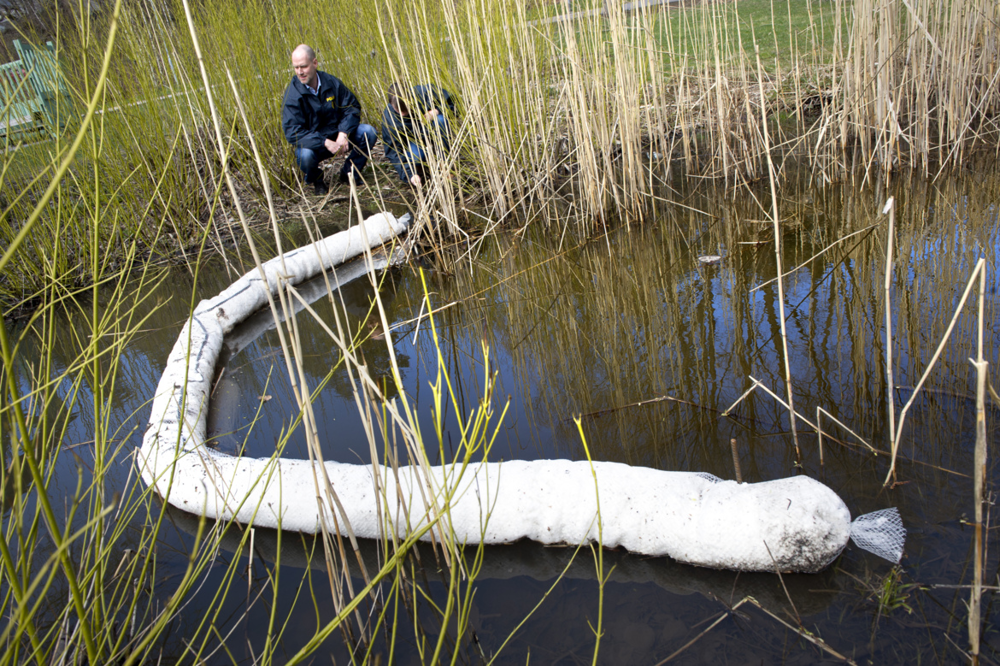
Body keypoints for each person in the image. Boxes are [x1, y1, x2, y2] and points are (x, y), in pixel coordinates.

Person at [282, 44, 377, 195]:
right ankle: (317, 181)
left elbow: (351, 107)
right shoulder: (292, 96)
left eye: (303, 67)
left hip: (338, 135)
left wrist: (343, 133)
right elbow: (292, 131)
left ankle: (349, 173)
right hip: (316, 144)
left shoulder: (331, 83)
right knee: (304, 156)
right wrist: (324, 142)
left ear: (315, 63)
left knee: (368, 132)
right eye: (296, 68)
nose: (300, 72)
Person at [381, 83, 456, 188]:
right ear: (391, 104)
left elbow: (454, 103)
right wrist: (409, 174)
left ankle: (445, 165)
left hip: (432, 133)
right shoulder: (389, 119)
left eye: (406, 109)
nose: (403, 114)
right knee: (413, 157)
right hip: (415, 144)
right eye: (399, 111)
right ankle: (421, 169)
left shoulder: (424, 93)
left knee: (440, 120)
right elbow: (393, 151)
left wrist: (437, 110)